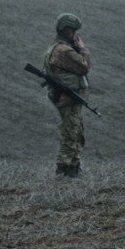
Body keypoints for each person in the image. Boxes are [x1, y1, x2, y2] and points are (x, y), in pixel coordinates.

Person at [44, 12, 91, 177]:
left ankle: (73, 167)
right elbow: (83, 67)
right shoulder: (64, 50)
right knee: (71, 133)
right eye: (74, 31)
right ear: (68, 31)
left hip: (68, 97)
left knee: (75, 131)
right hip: (67, 98)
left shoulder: (55, 47)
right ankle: (64, 170)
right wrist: (82, 49)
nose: (76, 35)